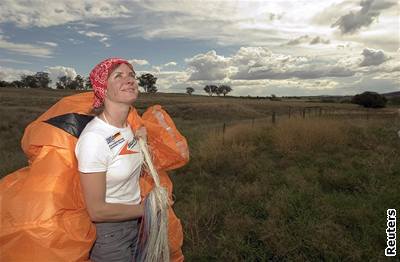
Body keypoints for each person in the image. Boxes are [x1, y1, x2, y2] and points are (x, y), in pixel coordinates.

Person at [75, 57, 146, 261]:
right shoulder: (94, 138)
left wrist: (143, 146)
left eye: (131, 75)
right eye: (118, 76)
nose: (130, 80)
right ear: (103, 89)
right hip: (110, 235)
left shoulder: (127, 128)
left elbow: (129, 171)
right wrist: (148, 209)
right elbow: (96, 211)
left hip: (136, 226)